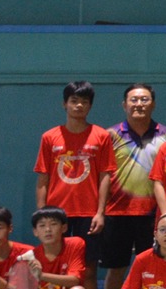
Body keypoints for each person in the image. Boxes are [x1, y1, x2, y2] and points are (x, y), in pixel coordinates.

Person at [98, 84, 166, 289]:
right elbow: (103, 175)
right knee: (115, 268)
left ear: (153, 103)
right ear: (124, 104)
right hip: (116, 211)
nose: (139, 104)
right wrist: (100, 211)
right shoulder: (110, 135)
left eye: (144, 99)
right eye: (133, 100)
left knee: (151, 270)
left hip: (153, 215)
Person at [35, 80, 114, 251]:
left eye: (84, 102)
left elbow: (105, 176)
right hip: (56, 212)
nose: (79, 105)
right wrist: (42, 214)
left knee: (89, 269)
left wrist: (100, 213)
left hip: (89, 213)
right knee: (55, 262)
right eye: (74, 101)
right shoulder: (49, 137)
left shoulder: (101, 136)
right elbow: (43, 178)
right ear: (65, 104)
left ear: (90, 106)